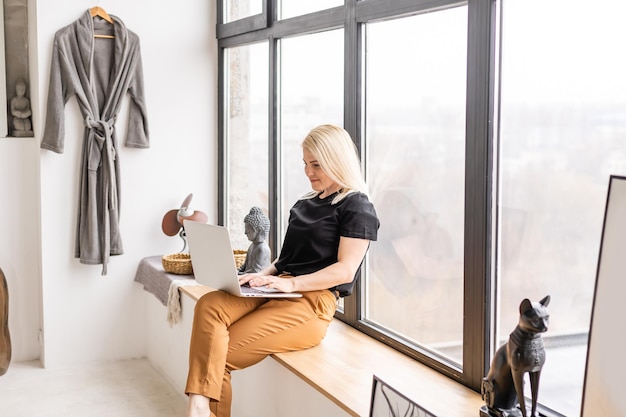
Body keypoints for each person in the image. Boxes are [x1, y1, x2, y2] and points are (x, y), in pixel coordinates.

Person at [185, 124, 380, 417]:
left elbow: (345, 271)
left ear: (337, 160)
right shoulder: (304, 203)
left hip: (312, 302)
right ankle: (199, 404)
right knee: (210, 304)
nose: (308, 171)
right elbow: (285, 260)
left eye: (316, 164)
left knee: (217, 356)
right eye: (305, 163)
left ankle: (199, 407)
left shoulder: (357, 207)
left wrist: (292, 285)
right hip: (276, 287)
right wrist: (261, 276)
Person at [237, 206, 271, 274]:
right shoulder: (252, 246)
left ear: (258, 230)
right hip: (247, 277)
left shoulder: (262, 249)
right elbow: (244, 266)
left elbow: (256, 271)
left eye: (248, 231)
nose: (245, 232)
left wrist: (240, 274)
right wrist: (237, 271)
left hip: (257, 280)